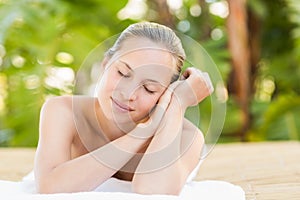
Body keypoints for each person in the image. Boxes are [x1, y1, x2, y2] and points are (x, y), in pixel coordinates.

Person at [34, 22, 213, 195]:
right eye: (122, 73)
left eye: (149, 89)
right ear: (105, 64)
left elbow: (153, 191)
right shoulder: (64, 111)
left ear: (165, 94)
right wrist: (145, 130)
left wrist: (176, 104)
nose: (128, 93)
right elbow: (48, 186)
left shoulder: (188, 136)